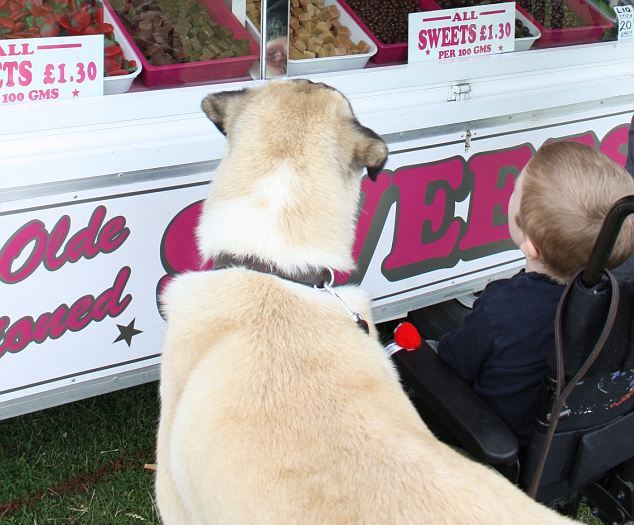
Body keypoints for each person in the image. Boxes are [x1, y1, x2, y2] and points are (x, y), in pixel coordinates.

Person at [431, 141, 634, 446]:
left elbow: (451, 363)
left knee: (420, 356)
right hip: (570, 445)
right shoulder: (621, 303)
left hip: (492, 440)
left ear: (530, 246)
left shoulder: (503, 309)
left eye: (515, 191)